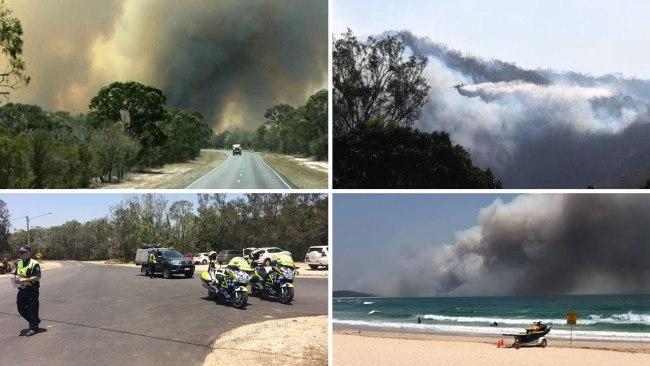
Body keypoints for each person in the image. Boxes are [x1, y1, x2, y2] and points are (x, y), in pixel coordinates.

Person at [14, 246, 43, 337]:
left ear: (29, 253)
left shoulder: (34, 263)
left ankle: (34, 327)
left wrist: (24, 280)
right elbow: (18, 273)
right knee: (20, 308)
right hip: (22, 289)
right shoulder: (20, 263)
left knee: (32, 308)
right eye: (20, 252)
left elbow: (38, 276)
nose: (21, 254)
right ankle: (34, 321)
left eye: (23, 252)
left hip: (32, 289)